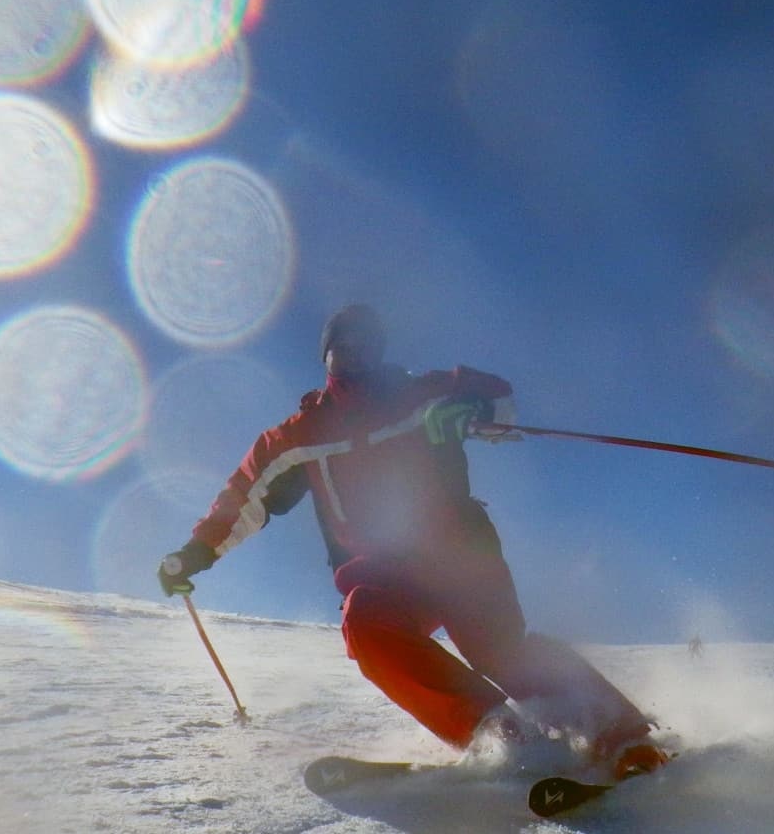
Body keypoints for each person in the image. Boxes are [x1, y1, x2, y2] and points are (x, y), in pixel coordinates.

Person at [158, 304, 667, 778]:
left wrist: (470, 409)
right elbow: (244, 498)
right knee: (366, 625)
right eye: (344, 346)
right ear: (327, 357)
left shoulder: (422, 395)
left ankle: (620, 736)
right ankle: (504, 740)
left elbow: (494, 393)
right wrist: (195, 554)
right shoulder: (300, 436)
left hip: (459, 553)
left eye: (366, 344)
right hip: (383, 573)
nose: (356, 354)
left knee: (498, 649)